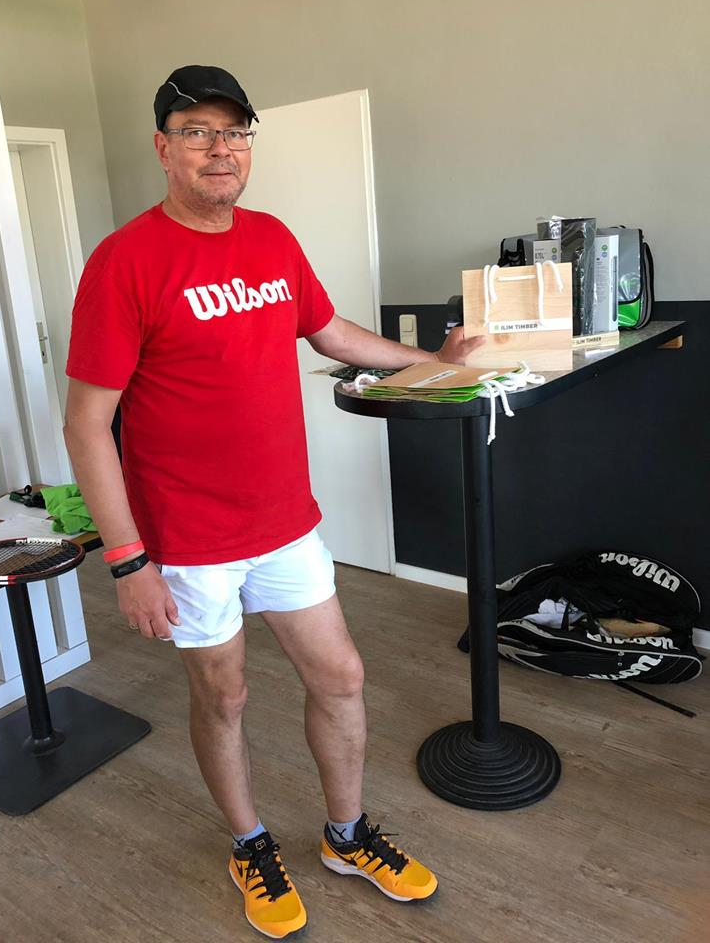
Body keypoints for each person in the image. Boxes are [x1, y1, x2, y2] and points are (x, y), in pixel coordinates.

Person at [64, 65, 482, 940]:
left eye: (234, 132)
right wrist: (128, 562)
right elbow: (87, 423)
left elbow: (331, 333)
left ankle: (345, 836)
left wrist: (431, 361)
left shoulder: (272, 239)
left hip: (285, 523)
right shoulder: (124, 261)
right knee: (224, 698)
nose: (220, 149)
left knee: (341, 676)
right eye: (197, 132)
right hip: (187, 539)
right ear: (164, 149)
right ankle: (249, 843)